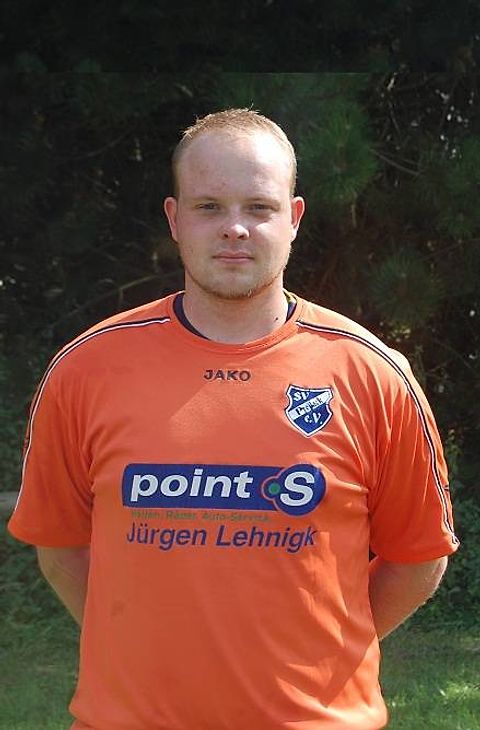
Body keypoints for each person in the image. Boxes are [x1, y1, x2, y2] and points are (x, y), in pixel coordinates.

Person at [8, 108, 459, 730]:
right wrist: (137, 647)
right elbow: (59, 547)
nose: (235, 229)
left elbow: (417, 559)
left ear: (294, 218)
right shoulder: (86, 368)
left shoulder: (373, 373)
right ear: (175, 219)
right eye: (209, 207)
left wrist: (325, 649)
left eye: (259, 207)